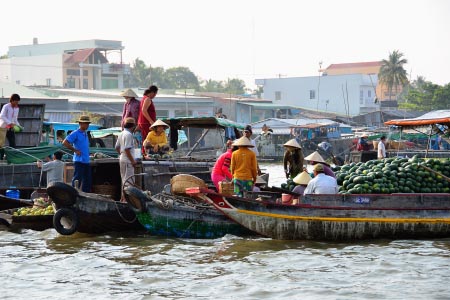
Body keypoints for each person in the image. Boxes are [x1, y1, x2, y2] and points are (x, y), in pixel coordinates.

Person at [62, 115, 92, 192]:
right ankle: (73, 195)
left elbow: (84, 146)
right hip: (79, 160)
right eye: (86, 123)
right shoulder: (75, 133)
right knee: (77, 179)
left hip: (86, 160)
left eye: (88, 123)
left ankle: (86, 196)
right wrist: (75, 150)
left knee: (87, 181)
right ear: (80, 123)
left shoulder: (85, 134)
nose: (87, 125)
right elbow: (65, 142)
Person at [115, 117, 138, 202]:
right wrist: (132, 161)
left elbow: (117, 147)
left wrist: (122, 154)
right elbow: (127, 149)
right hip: (128, 160)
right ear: (133, 126)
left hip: (122, 159)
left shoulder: (121, 133)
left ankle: (123, 199)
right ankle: (126, 200)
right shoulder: (129, 135)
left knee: (124, 180)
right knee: (129, 181)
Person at [138, 85, 158, 153]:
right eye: (155, 94)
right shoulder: (147, 99)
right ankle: (146, 154)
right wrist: (151, 121)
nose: (154, 96)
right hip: (146, 123)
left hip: (143, 122)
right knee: (148, 139)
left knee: (145, 139)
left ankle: (145, 153)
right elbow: (144, 110)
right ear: (152, 92)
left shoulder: (144, 98)